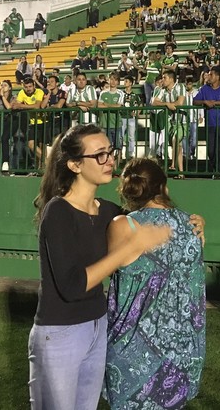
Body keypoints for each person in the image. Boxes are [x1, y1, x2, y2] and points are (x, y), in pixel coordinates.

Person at [28, 124, 172, 410]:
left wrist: (193, 221)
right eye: (100, 155)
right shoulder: (57, 211)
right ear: (74, 164)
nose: (110, 161)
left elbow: (149, 222)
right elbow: (72, 285)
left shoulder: (108, 210)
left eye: (111, 152)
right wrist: (129, 249)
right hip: (59, 334)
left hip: (97, 326)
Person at [104, 158, 206, 409]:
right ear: (164, 187)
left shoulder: (123, 225)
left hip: (133, 349)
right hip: (181, 349)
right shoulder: (192, 224)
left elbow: (109, 271)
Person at [193, 67, 220, 178]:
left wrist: (215, 103)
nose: (208, 76)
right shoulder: (204, 89)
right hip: (210, 124)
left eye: (211, 75)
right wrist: (204, 101)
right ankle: (214, 170)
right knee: (211, 150)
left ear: (218, 77)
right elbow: (195, 101)